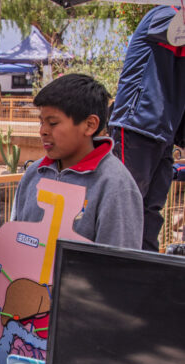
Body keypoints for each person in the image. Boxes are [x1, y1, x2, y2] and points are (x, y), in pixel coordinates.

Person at [14, 73, 143, 249]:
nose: (43, 131)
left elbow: (118, 266)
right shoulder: (33, 174)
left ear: (90, 125)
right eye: (41, 122)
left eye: (52, 123)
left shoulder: (115, 185)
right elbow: (17, 240)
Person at [108, 5, 185, 251]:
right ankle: (113, 271)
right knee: (126, 206)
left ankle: (143, 273)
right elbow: (174, 30)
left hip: (164, 132)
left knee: (151, 210)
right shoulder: (166, 14)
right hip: (137, 124)